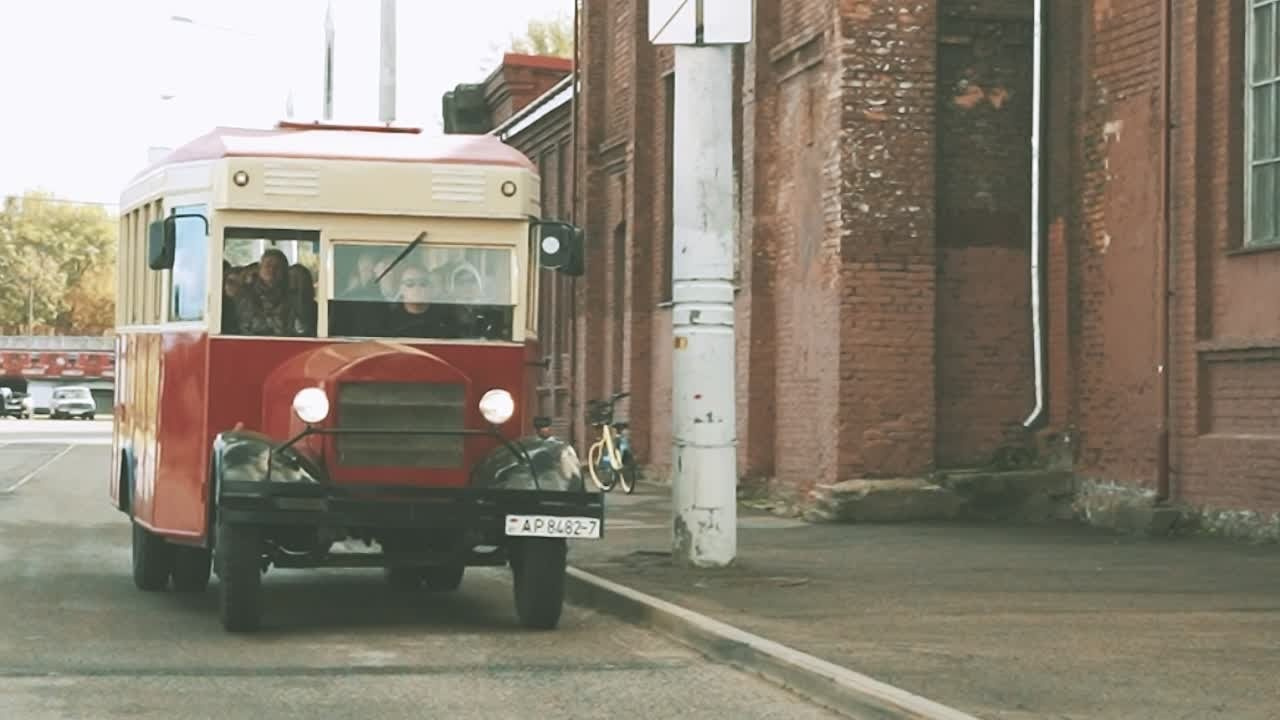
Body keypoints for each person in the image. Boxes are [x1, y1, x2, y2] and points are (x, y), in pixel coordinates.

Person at [233, 249, 297, 336]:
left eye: (277, 267)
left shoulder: (291, 297)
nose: (272, 269)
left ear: (284, 271)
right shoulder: (245, 294)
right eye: (268, 265)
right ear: (259, 268)